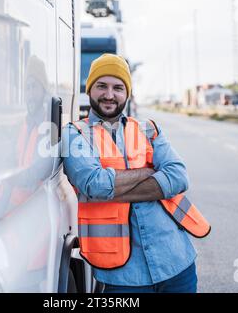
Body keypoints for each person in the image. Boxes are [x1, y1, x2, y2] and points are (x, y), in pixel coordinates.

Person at [61, 53, 210, 293]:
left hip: (176, 262)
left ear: (127, 93)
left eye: (118, 87)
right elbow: (95, 185)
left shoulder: (148, 129)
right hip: (122, 277)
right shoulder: (74, 134)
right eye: (102, 86)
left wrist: (113, 187)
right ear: (89, 90)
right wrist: (149, 172)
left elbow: (179, 177)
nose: (109, 95)